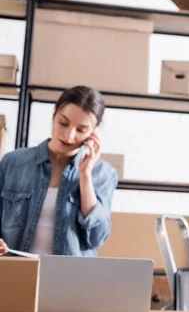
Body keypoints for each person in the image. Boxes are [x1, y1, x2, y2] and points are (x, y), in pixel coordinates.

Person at [0, 85, 118, 257]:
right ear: (54, 114)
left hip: (70, 279)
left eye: (81, 130)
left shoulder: (103, 174)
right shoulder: (14, 163)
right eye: (63, 123)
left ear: (94, 133)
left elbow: (96, 239)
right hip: (17, 274)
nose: (69, 135)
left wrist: (85, 176)